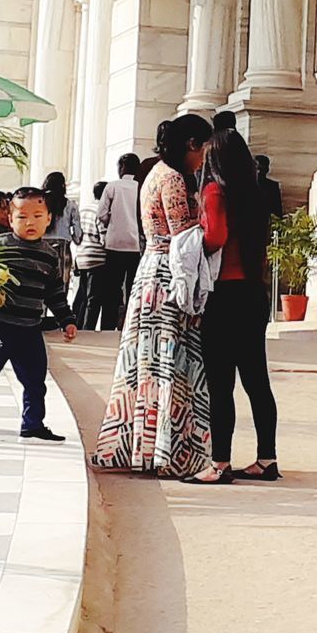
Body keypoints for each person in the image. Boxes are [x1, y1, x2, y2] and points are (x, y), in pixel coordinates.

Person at [89, 115, 215, 477]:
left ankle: (140, 446)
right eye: (203, 148)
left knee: (145, 362)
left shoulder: (153, 174)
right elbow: (183, 235)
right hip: (169, 272)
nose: (204, 157)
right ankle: (169, 452)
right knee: (171, 363)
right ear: (192, 144)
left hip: (150, 270)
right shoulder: (174, 179)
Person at [0, 187, 77, 447]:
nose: (29, 222)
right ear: (10, 220)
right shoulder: (0, 246)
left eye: (37, 215)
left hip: (30, 329)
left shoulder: (49, 255)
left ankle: (32, 426)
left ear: (49, 218)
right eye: (21, 217)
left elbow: (55, 292)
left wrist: (67, 320)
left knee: (35, 380)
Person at [188, 128, 277, 485]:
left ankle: (219, 463)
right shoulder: (256, 193)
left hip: (224, 295)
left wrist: (195, 234)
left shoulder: (214, 191)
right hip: (254, 294)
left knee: (221, 383)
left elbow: (216, 238)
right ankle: (266, 459)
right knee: (257, 381)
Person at [92, 153, 143, 330]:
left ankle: (108, 325)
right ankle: (130, 325)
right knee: (133, 288)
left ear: (121, 168)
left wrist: (111, 221)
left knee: (112, 288)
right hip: (136, 245)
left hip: (115, 244)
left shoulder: (112, 187)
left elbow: (101, 214)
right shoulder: (141, 187)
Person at [73, 181, 108, 328]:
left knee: (82, 294)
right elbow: (102, 236)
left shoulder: (85, 209)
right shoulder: (101, 211)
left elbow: (77, 233)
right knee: (93, 297)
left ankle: (77, 323)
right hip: (97, 258)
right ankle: (88, 327)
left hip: (82, 256)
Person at [41, 171, 83, 290]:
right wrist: (77, 239)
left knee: (41, 283)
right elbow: (77, 233)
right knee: (61, 285)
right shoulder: (70, 205)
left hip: (42, 245)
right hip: (62, 247)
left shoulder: (42, 203)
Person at [254, 155, 283, 219]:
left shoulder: (273, 187)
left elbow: (277, 212)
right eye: (257, 169)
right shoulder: (246, 187)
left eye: (262, 169)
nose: (259, 172)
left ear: (267, 170)